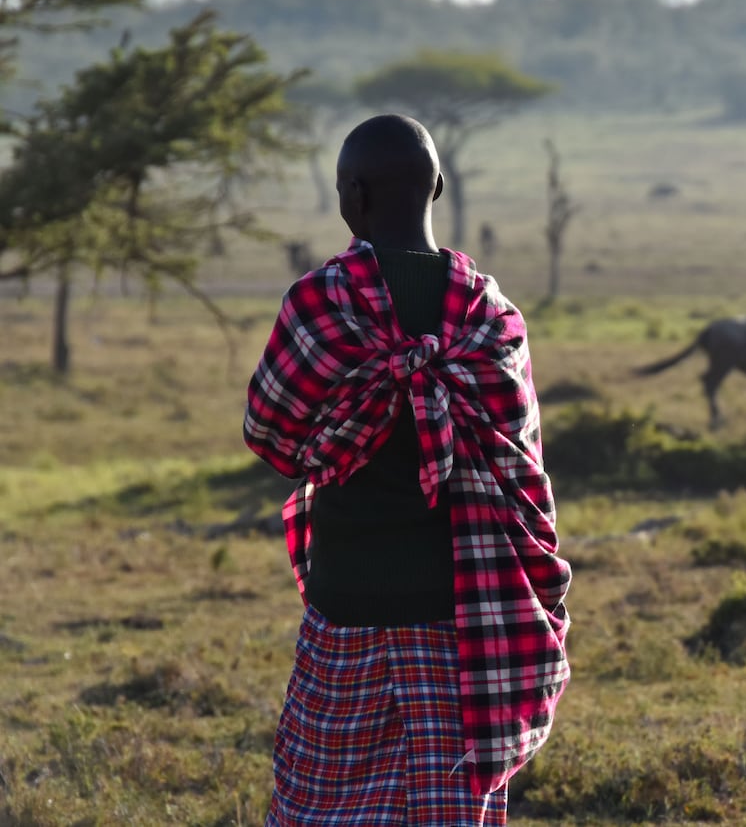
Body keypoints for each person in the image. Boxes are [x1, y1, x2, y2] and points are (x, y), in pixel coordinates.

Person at [243, 114, 571, 826]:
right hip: (460, 617)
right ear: (438, 187)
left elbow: (270, 436)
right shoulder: (492, 316)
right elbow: (523, 470)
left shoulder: (320, 302)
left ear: (352, 195)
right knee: (448, 811)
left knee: (321, 805)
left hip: (347, 607)